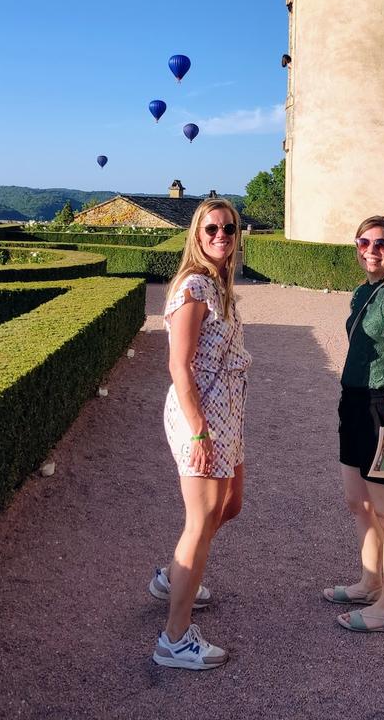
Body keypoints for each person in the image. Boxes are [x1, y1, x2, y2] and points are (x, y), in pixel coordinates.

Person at [151, 197, 251, 670]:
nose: (221, 236)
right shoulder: (194, 287)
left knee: (229, 505)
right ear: (197, 233)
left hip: (225, 409)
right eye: (211, 229)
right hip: (202, 413)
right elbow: (179, 366)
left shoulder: (219, 283)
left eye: (229, 229)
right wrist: (199, 433)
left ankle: (173, 578)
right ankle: (174, 638)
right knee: (202, 519)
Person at [323, 215, 384, 633]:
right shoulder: (363, 291)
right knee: (358, 502)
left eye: (381, 243)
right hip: (354, 405)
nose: (372, 250)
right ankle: (369, 582)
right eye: (364, 242)